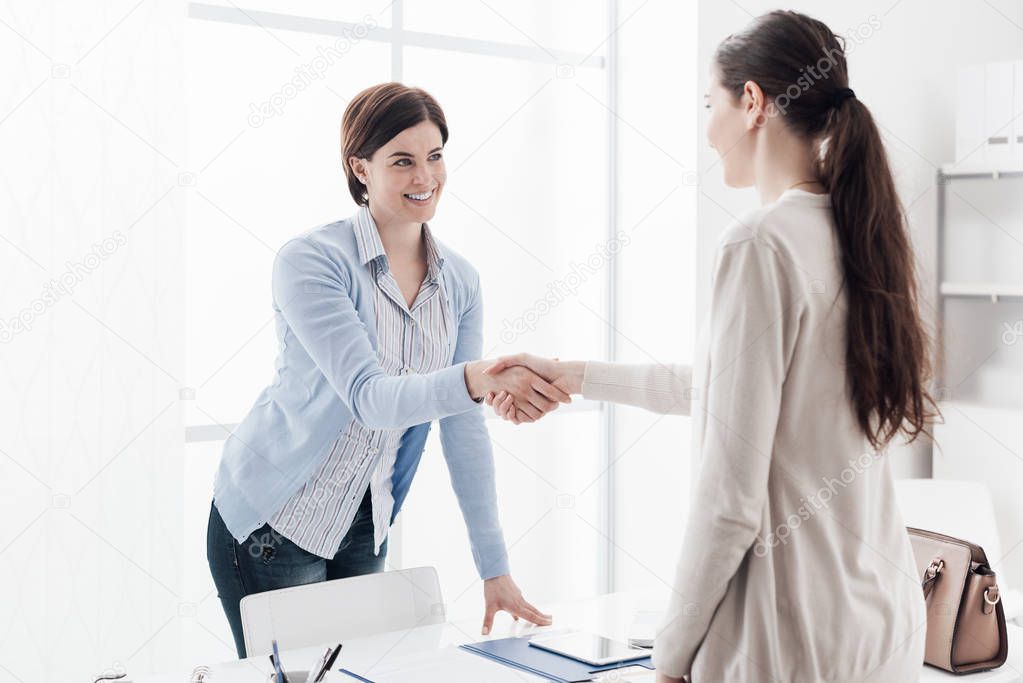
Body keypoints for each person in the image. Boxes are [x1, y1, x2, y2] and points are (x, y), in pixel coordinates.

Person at [486, 11, 937, 682]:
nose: (705, 129)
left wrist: (668, 659)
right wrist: (574, 375)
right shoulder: (860, 233)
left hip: (792, 645)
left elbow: (728, 498)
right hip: (885, 628)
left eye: (709, 104)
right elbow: (733, 390)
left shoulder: (760, 242)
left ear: (751, 102)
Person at [207, 82, 565, 658]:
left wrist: (494, 567)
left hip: (364, 520)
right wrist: (475, 380)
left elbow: (462, 425)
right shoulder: (312, 261)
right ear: (361, 168)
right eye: (402, 161)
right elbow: (369, 397)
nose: (424, 177)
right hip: (273, 522)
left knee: (368, 672)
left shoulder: (461, 283)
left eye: (435, 156)